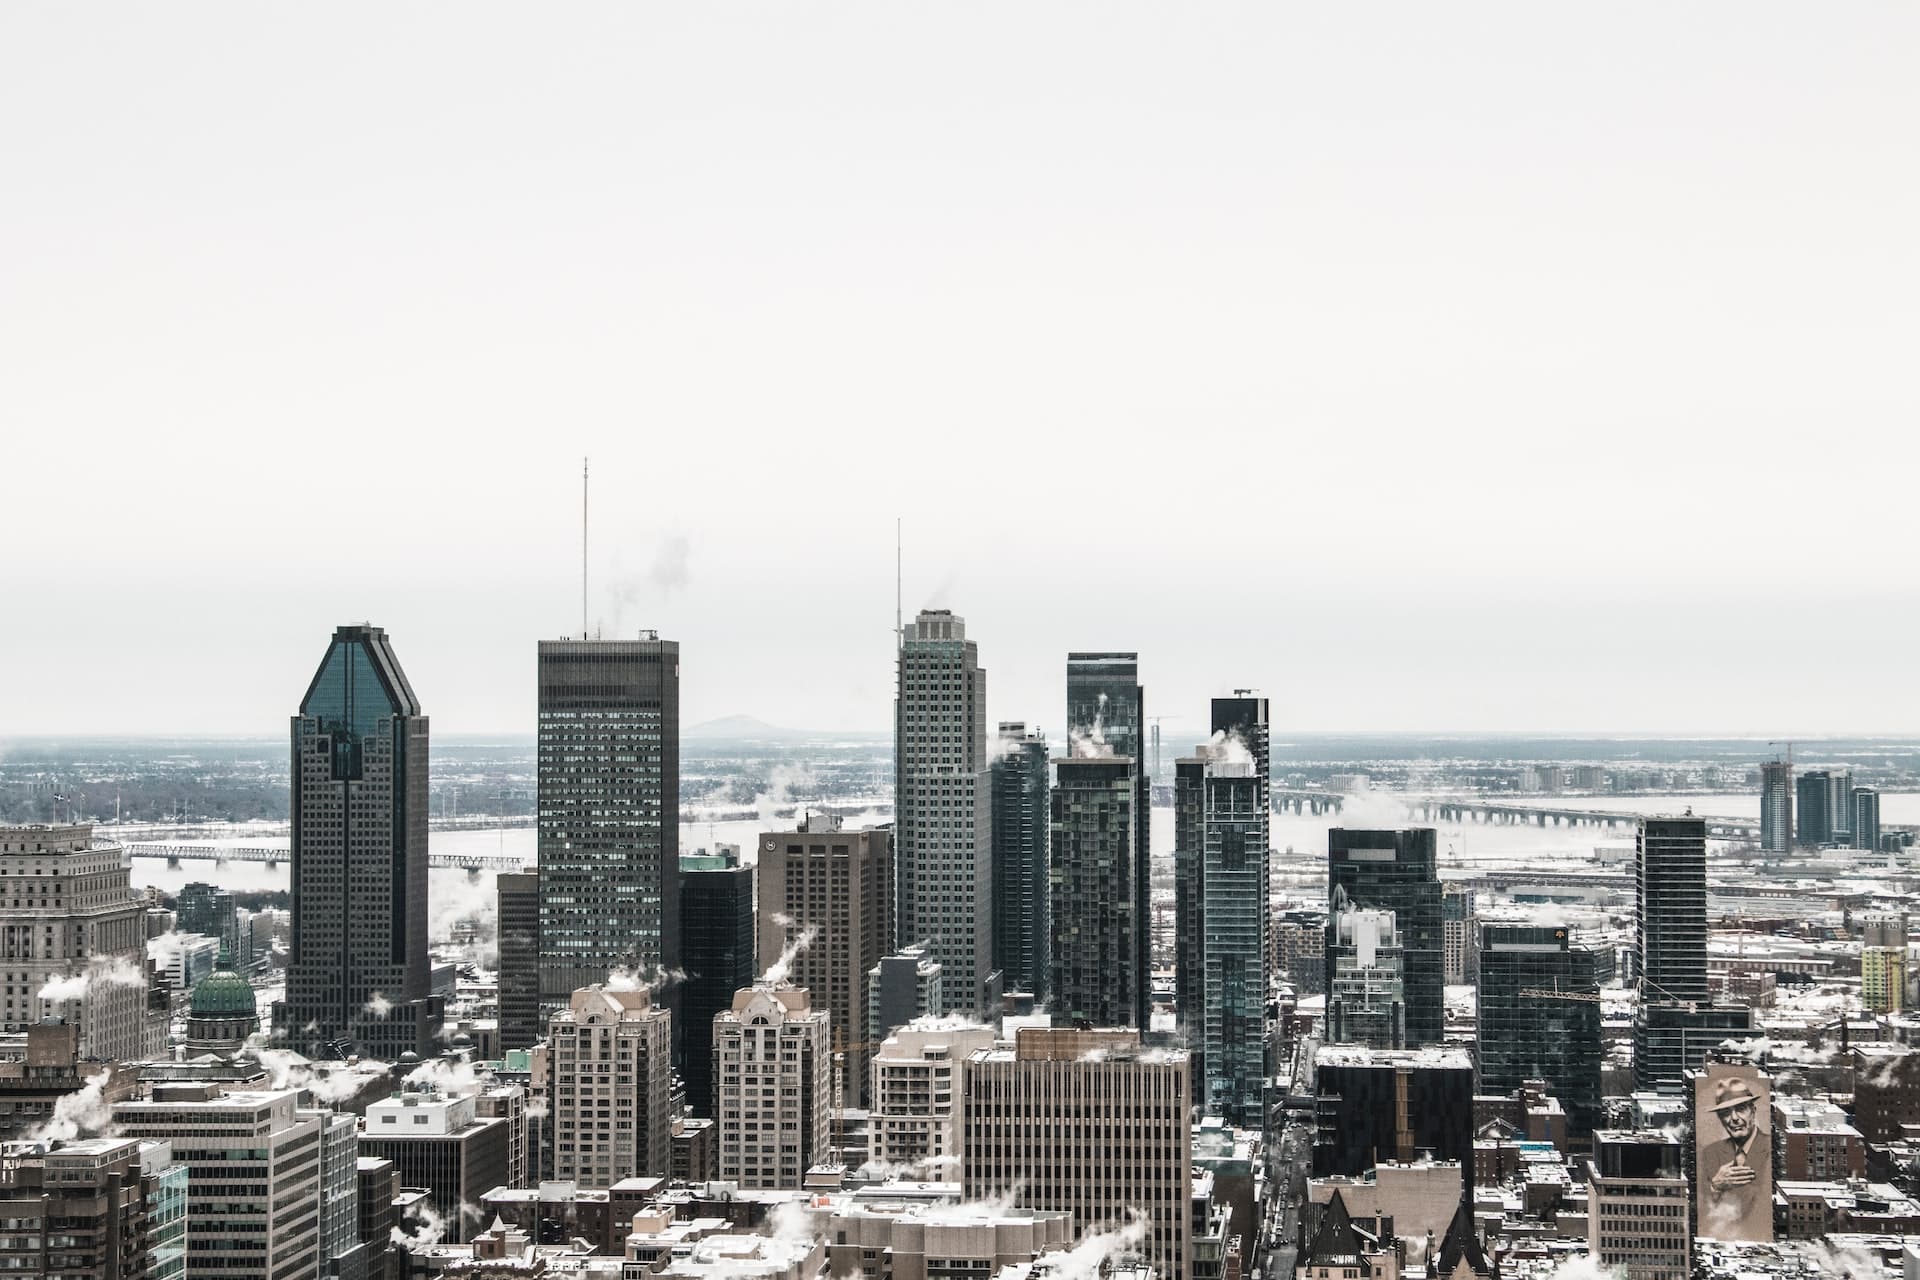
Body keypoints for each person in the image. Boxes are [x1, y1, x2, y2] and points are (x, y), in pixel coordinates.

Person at [1699, 1075, 1768, 1234]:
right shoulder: (1710, 1153)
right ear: (1720, 1119)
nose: (1734, 1119)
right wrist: (1715, 1186)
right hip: (1723, 1233)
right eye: (1725, 1113)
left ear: (1753, 1111)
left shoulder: (1767, 1148)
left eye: (1741, 1109)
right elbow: (1702, 1207)